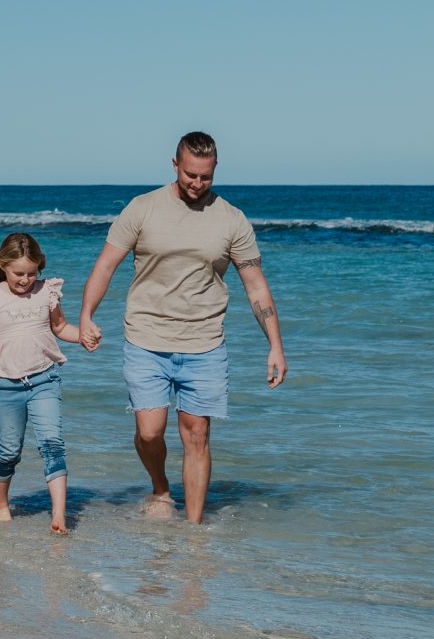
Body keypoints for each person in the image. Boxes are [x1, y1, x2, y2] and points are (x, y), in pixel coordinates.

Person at [76, 132, 288, 523]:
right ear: (175, 165)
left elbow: (255, 285)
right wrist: (87, 314)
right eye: (190, 175)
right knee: (151, 432)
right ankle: (160, 488)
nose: (197, 184)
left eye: (205, 177)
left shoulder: (232, 219)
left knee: (197, 436)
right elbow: (106, 265)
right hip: (145, 338)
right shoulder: (142, 209)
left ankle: (194, 533)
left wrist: (275, 345)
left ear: (215, 170)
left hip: (204, 342)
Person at [0, 233, 86, 534]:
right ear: (2, 266)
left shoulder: (47, 292)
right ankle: (0, 503)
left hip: (44, 378)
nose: (25, 280)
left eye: (31, 273)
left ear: (40, 268)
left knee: (52, 442)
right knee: (10, 450)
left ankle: (59, 514)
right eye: (18, 273)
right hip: (6, 385)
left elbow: (61, 327)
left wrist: (84, 336)